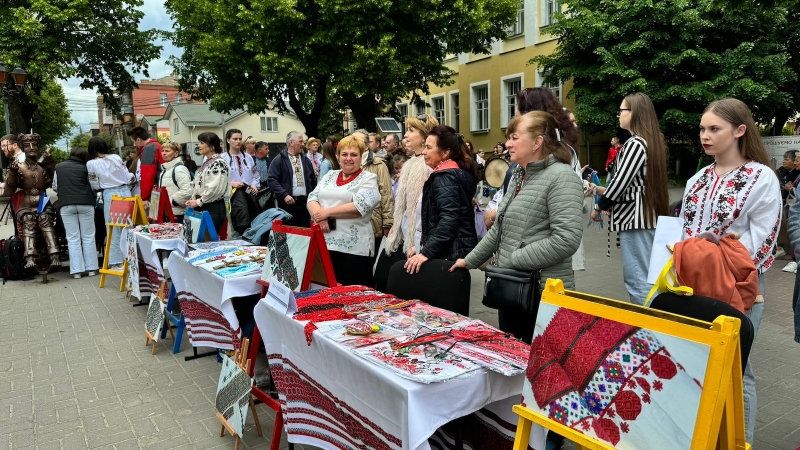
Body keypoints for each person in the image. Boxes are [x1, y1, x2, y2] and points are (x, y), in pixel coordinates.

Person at [679, 98, 781, 445]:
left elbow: (763, 235)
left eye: (714, 129)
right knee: (697, 365)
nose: (705, 136)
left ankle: (739, 441)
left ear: (739, 131)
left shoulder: (761, 177)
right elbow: (684, 231)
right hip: (693, 285)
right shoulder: (697, 180)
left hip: (739, 285)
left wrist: (727, 249)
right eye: (702, 129)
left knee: (737, 370)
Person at [450, 111, 584, 343]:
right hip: (513, 288)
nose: (507, 144)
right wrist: (468, 260)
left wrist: (514, 258)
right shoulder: (519, 175)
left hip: (542, 295)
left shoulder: (562, 177)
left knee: (538, 368)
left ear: (537, 142)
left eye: (514, 137)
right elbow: (500, 229)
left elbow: (566, 239)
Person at [590, 92, 670, 305]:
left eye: (621, 110)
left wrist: (599, 207)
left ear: (635, 113)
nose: (618, 115)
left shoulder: (636, 143)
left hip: (636, 220)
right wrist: (601, 190)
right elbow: (634, 183)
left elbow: (620, 183)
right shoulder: (652, 142)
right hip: (645, 218)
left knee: (638, 281)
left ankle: (647, 333)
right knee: (647, 278)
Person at [307, 134, 380, 286]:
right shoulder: (329, 175)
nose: (348, 158)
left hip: (354, 250)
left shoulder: (369, 178)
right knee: (324, 291)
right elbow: (312, 197)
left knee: (351, 295)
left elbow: (359, 207)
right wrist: (319, 216)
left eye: (354, 155)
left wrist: (327, 212)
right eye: (344, 154)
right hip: (324, 245)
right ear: (338, 156)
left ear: (361, 157)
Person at [405, 126, 479, 273]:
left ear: (445, 152)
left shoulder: (445, 178)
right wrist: (421, 245)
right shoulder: (449, 174)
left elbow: (449, 219)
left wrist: (426, 252)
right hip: (446, 253)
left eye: (429, 147)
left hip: (446, 257)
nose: (424, 152)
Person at [383, 114, 438, 258]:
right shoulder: (410, 163)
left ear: (425, 136)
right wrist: (396, 224)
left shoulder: (430, 165)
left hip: (417, 241)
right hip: (403, 234)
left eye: (411, 130)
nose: (406, 135)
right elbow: (403, 203)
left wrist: (419, 241)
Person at [87, 137, 134, 271]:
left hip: (110, 194)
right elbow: (127, 176)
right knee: (128, 226)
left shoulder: (91, 164)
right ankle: (131, 258)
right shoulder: (116, 157)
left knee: (113, 227)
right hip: (125, 191)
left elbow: (94, 184)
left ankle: (116, 262)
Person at [53, 147, 98, 278]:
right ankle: (91, 269)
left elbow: (55, 186)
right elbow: (94, 184)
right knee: (88, 237)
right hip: (85, 203)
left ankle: (76, 271)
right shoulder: (87, 167)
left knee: (73, 238)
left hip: (66, 204)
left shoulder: (59, 167)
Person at [354, 129, 394, 254]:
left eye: (356, 141)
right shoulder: (347, 161)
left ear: (366, 145)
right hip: (352, 221)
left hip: (373, 219)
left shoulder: (378, 164)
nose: (353, 143)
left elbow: (386, 193)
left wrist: (388, 222)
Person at [267, 131, 317, 227]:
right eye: (300, 141)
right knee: (289, 234)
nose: (303, 144)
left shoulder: (306, 160)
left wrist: (313, 197)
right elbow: (271, 180)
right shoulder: (279, 160)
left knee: (304, 233)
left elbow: (313, 181)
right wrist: (284, 195)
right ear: (291, 143)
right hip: (287, 205)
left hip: (304, 204)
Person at [185, 132, 231, 235]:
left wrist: (199, 201)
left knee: (207, 241)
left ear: (212, 146)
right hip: (205, 205)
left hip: (213, 208)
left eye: (202, 143)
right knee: (200, 241)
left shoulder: (218, 163)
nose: (199, 145)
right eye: (199, 143)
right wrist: (194, 199)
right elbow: (198, 184)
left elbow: (215, 189)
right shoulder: (208, 162)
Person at [221, 129, 259, 236]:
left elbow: (255, 174)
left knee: (251, 222)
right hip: (231, 196)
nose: (238, 141)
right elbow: (219, 179)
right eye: (235, 139)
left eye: (240, 139)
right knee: (236, 226)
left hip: (248, 194)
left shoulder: (248, 157)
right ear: (228, 140)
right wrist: (231, 184)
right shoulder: (222, 159)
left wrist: (254, 184)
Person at [158, 142, 193, 223]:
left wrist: (170, 202)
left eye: (167, 151)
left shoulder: (179, 169)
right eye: (162, 150)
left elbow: (187, 191)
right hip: (168, 214)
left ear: (176, 153)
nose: (164, 153)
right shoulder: (165, 169)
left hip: (178, 215)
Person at [126, 127, 163, 205]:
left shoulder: (148, 149)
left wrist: (144, 197)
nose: (134, 144)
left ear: (139, 140)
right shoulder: (156, 145)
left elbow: (147, 174)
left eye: (134, 141)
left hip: (155, 190)